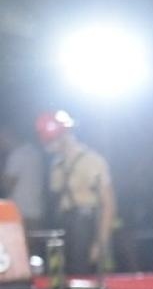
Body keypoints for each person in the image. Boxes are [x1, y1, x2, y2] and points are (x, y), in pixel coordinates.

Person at [37, 109, 115, 274]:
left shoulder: (93, 161)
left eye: (51, 141)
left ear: (63, 136)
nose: (48, 147)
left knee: (82, 276)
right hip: (65, 226)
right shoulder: (56, 165)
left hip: (85, 225)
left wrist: (100, 243)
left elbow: (108, 205)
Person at [0, 123, 46, 226]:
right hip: (36, 210)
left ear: (6, 136)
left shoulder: (16, 155)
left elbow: (7, 186)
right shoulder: (34, 151)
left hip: (20, 212)